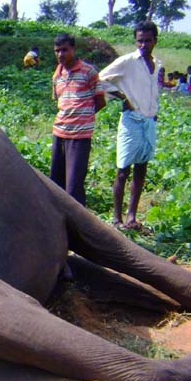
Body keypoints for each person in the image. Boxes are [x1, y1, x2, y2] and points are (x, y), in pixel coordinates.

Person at [98, 20, 163, 231]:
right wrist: (122, 97)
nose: (143, 45)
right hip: (131, 120)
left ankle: (131, 216)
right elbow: (100, 79)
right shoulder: (127, 62)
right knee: (122, 170)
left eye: (148, 41)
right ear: (135, 41)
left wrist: (154, 111)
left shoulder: (157, 64)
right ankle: (117, 219)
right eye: (140, 41)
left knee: (141, 168)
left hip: (149, 121)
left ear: (155, 41)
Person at [49, 33, 106, 206]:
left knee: (74, 186)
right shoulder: (57, 75)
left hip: (79, 136)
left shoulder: (88, 72)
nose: (60, 54)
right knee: (56, 182)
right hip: (59, 132)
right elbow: (59, 101)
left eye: (64, 50)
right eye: (57, 51)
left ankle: (78, 220)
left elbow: (100, 101)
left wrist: (83, 117)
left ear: (73, 49)